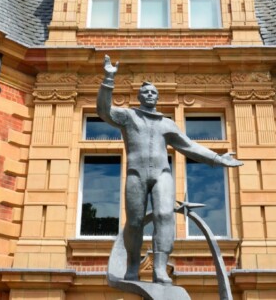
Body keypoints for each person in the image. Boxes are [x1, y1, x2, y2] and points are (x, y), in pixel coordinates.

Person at [96, 55, 243, 284]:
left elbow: (190, 147)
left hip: (161, 175)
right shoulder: (128, 116)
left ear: (157, 97)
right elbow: (104, 111)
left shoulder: (167, 123)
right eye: (145, 92)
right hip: (136, 174)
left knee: (164, 216)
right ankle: (132, 265)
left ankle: (160, 269)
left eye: (153, 92)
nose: (149, 95)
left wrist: (217, 158)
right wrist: (108, 79)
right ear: (139, 96)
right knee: (134, 222)